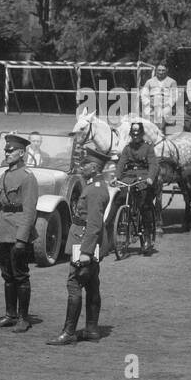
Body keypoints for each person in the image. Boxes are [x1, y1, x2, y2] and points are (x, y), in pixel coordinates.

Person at [48, 152, 109, 346]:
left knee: (74, 284)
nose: (81, 167)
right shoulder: (95, 186)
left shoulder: (95, 190)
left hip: (84, 242)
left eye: (86, 164)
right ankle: (91, 329)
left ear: (95, 168)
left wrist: (86, 252)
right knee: (92, 284)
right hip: (86, 240)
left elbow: (94, 224)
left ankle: (69, 332)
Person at [0, 133, 38, 333]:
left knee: (20, 275)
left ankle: (23, 318)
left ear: (21, 153)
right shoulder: (5, 175)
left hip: (17, 231)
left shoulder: (27, 178)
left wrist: (21, 239)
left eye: (11, 151)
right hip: (4, 231)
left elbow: (30, 211)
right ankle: (10, 314)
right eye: (6, 150)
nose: (7, 153)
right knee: (7, 275)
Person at [113, 120, 160, 254]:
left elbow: (153, 164)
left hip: (144, 176)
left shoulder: (148, 147)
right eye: (133, 134)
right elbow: (121, 163)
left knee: (144, 205)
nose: (135, 136)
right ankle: (120, 226)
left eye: (137, 134)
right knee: (120, 197)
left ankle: (147, 237)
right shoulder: (127, 148)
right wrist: (116, 177)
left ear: (141, 134)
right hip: (129, 176)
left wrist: (150, 177)